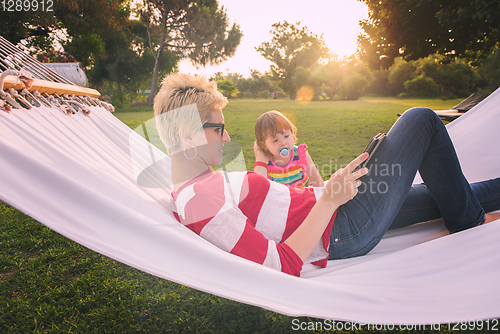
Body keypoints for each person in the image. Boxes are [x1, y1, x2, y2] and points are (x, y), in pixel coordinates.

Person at [154, 73, 500, 277]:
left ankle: (466, 214)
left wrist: (330, 194)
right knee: (421, 119)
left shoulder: (196, 187)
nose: (227, 138)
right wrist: (330, 199)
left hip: (338, 209)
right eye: (219, 129)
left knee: (444, 194)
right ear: (187, 136)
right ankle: (469, 225)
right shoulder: (200, 201)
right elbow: (282, 263)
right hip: (343, 227)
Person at [253, 110, 324, 187]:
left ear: (291, 133)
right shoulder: (267, 162)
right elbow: (260, 187)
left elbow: (316, 178)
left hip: (305, 194)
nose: (283, 143)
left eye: (286, 136)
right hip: (283, 197)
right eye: (275, 140)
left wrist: (322, 196)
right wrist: (260, 160)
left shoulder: (300, 154)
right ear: (263, 144)